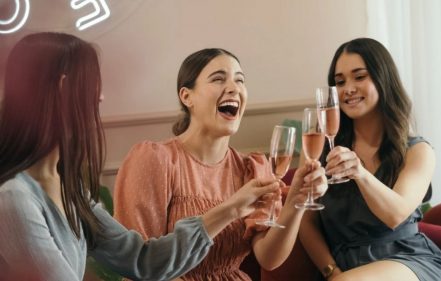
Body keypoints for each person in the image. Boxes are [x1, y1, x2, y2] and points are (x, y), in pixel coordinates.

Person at [0, 32, 281, 281]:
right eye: (93, 84)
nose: (100, 98)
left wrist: (232, 208)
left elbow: (143, 261)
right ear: (63, 88)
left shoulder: (69, 188)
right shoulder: (14, 199)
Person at [113, 48, 327, 281]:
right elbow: (140, 265)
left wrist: (296, 201)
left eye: (240, 80)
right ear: (187, 97)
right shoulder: (155, 160)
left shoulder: (251, 168)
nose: (234, 88)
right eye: (218, 79)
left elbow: (269, 258)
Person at [299, 38, 441, 281]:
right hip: (343, 270)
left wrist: (359, 173)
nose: (348, 88)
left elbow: (396, 214)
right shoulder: (321, 146)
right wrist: (331, 271)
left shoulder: (418, 151)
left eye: (359, 77)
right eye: (340, 82)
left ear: (383, 79)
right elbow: (306, 222)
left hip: (407, 260)